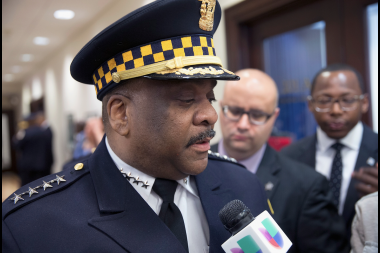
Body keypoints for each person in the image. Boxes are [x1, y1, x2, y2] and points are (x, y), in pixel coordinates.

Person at [2, 1, 269, 252]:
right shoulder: (34, 227)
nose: (211, 115)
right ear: (120, 113)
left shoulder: (243, 186)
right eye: (187, 100)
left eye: (210, 98)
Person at [211, 69, 349, 253]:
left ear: (274, 117)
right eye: (234, 111)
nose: (243, 124)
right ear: (221, 108)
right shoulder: (191, 168)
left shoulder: (306, 186)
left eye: (257, 115)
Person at [281, 64, 378, 238]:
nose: (335, 110)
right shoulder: (289, 158)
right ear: (310, 104)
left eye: (347, 100)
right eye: (324, 101)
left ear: (364, 103)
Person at [12, 112, 53, 186]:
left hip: (28, 167)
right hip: (42, 165)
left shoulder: (25, 132)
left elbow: (16, 145)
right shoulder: (44, 131)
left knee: (27, 188)